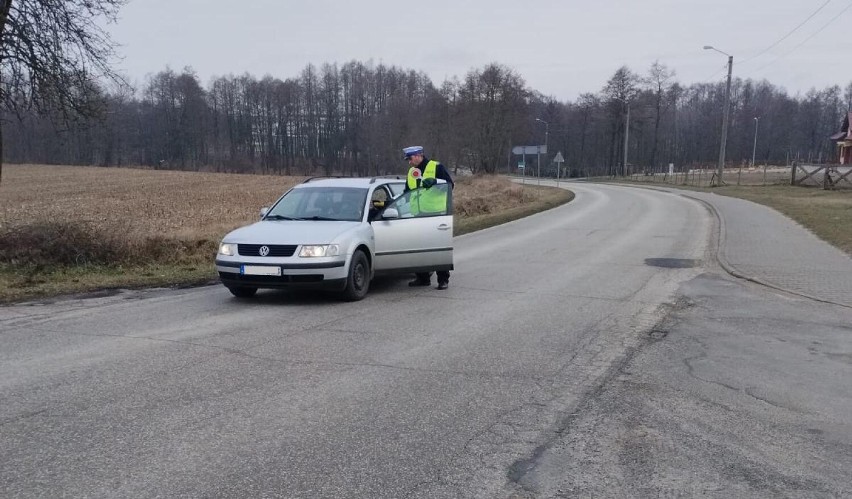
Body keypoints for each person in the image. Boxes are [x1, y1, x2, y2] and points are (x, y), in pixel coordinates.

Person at [402, 145, 454, 290]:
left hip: (435, 214)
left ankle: (443, 279)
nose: (409, 162)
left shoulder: (436, 167)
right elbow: (407, 191)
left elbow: (450, 185)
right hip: (417, 215)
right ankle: (422, 277)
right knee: (419, 248)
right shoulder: (412, 171)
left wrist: (436, 182)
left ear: (419, 155)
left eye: (410, 158)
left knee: (438, 248)